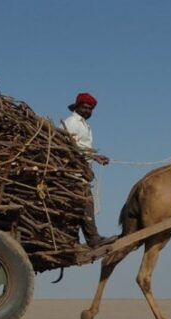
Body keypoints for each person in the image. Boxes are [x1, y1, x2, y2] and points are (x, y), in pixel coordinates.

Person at [62, 92, 109, 247]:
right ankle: (93, 240)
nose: (88, 111)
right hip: (72, 172)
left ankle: (77, 241)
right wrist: (94, 157)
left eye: (90, 109)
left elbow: (83, 147)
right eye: (85, 107)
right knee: (85, 204)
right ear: (78, 107)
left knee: (80, 206)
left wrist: (95, 157)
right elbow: (68, 146)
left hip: (82, 171)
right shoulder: (71, 122)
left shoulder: (85, 125)